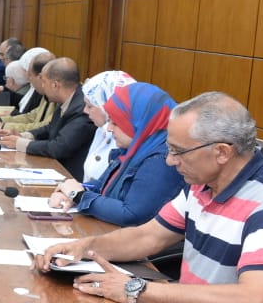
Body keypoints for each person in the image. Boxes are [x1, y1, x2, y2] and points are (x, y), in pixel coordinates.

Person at [35, 92, 263, 303]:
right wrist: (84, 247)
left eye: (178, 151)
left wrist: (137, 289)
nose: (169, 160)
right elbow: (149, 236)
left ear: (222, 152)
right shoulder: (203, 184)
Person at [47, 83, 184, 226]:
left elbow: (132, 214)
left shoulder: (162, 160)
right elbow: (102, 185)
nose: (109, 129)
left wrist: (79, 196)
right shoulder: (133, 148)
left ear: (138, 122)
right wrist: (72, 191)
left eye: (116, 123)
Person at [0, 57, 95, 180]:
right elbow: (51, 127)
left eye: (44, 81)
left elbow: (59, 147)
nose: (42, 86)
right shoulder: (67, 99)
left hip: (70, 177)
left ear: (55, 85)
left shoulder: (82, 109)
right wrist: (23, 135)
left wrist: (20, 143)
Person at [79, 70, 137, 183]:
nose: (84, 110)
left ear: (106, 106)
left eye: (90, 106)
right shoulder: (101, 130)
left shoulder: (124, 139)